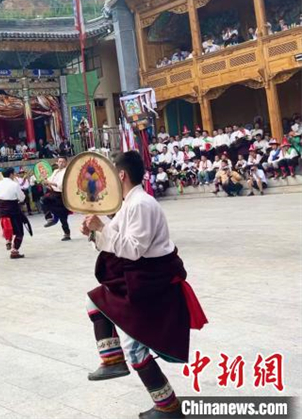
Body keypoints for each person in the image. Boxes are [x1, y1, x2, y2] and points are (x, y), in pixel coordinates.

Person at [81, 151, 206, 419]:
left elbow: (133, 249)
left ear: (121, 175)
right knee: (97, 301)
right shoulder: (130, 203)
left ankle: (167, 406)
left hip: (149, 282)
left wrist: (102, 228)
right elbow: (115, 241)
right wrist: (96, 231)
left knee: (135, 346)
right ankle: (114, 361)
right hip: (139, 279)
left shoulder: (140, 204)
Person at [0, 167, 32, 259]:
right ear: (11, 174)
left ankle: (8, 240)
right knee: (19, 232)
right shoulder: (14, 185)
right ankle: (14, 251)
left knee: (7, 228)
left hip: (2, 211)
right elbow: (21, 198)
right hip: (13, 211)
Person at [42, 157, 72, 241]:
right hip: (54, 193)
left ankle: (67, 233)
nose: (61, 163)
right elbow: (50, 182)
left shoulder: (67, 172)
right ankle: (50, 218)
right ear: (57, 162)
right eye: (59, 161)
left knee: (63, 215)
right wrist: (46, 181)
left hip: (62, 195)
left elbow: (61, 185)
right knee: (44, 200)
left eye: (63, 162)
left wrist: (49, 182)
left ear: (66, 163)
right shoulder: (55, 171)